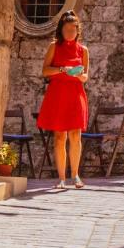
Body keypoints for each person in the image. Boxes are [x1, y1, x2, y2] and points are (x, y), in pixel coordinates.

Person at [37, 11, 90, 189]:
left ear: (77, 30)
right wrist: (61, 69)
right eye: (67, 29)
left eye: (73, 30)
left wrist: (81, 76)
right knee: (60, 137)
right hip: (58, 94)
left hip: (76, 94)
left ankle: (75, 176)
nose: (70, 33)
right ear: (61, 30)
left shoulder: (84, 50)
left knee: (76, 135)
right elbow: (45, 71)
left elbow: (85, 75)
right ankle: (61, 179)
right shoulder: (54, 46)